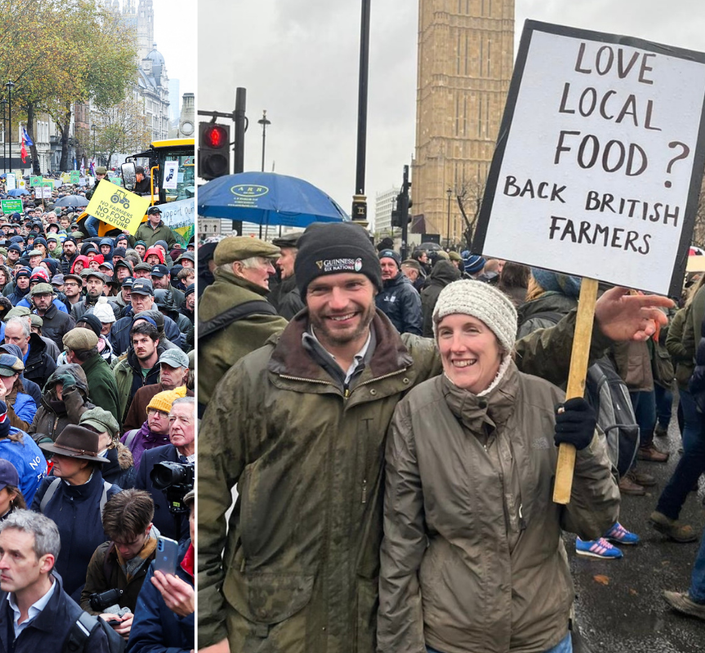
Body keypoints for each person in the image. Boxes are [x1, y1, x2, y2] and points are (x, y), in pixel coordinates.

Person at [197, 222, 672, 653]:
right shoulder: (254, 379)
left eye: (352, 284)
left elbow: (509, 357)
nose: (338, 301)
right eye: (321, 288)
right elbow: (207, 498)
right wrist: (207, 629)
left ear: (374, 287)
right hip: (267, 626)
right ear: (303, 292)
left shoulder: (412, 364)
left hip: (364, 620)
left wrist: (594, 329)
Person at [377, 280, 620, 653]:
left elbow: (592, 522)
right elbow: (400, 542)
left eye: (471, 329)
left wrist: (587, 451)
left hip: (542, 635)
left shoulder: (549, 403)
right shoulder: (415, 413)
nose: (456, 346)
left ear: (502, 339)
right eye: (445, 332)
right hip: (451, 637)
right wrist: (399, 645)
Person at [0, 510, 112, 653]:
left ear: (46, 563)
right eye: (1, 551)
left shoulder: (83, 633)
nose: (1, 564)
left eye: (16, 555)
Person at [197, 237, 287, 413]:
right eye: (266, 263)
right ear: (239, 269)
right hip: (229, 421)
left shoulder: (212, 294)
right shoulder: (253, 313)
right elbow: (302, 344)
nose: (272, 270)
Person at [32, 424, 120, 600]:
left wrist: (74, 604)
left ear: (84, 461)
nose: (53, 459)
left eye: (62, 455)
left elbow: (112, 565)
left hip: (85, 607)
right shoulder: (49, 488)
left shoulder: (112, 498)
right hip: (39, 597)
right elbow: (30, 540)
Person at [80, 489, 158, 637]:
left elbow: (175, 617)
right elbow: (86, 599)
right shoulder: (103, 555)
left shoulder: (166, 561)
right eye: (117, 541)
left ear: (148, 529)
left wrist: (140, 623)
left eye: (130, 543)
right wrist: (98, 618)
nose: (123, 550)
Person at [126, 488, 195, 653]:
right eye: (196, 516)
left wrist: (192, 617)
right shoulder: (162, 571)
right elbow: (139, 647)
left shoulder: (235, 574)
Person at [134, 396, 193, 542]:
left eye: (183, 420)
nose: (175, 426)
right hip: (154, 549)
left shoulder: (209, 463)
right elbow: (137, 509)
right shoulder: (150, 458)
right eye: (172, 419)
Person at [123, 347, 192, 432]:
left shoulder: (193, 400)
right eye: (163, 367)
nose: (165, 372)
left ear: (185, 372)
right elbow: (129, 428)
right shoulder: (143, 393)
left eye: (172, 368)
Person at [63, 327, 122, 424]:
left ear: (72, 354)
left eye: (67, 352)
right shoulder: (96, 367)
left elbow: (105, 422)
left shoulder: (97, 380)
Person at [375, 249, 423, 336]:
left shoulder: (407, 292)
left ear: (397, 268)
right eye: (382, 265)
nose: (386, 269)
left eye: (391, 265)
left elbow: (413, 329)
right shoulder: (372, 288)